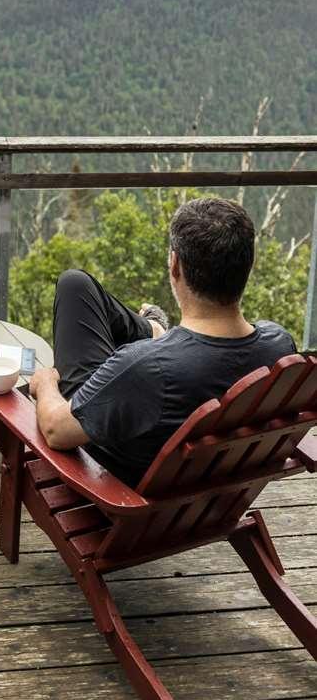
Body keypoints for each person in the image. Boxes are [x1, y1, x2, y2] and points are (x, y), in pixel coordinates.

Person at [30, 197, 297, 486]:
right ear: (250, 264)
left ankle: (155, 329)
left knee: (73, 286)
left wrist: (45, 383)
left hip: (116, 487)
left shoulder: (147, 366)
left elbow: (56, 430)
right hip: (207, 494)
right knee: (76, 284)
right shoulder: (280, 348)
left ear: (175, 265)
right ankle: (155, 329)